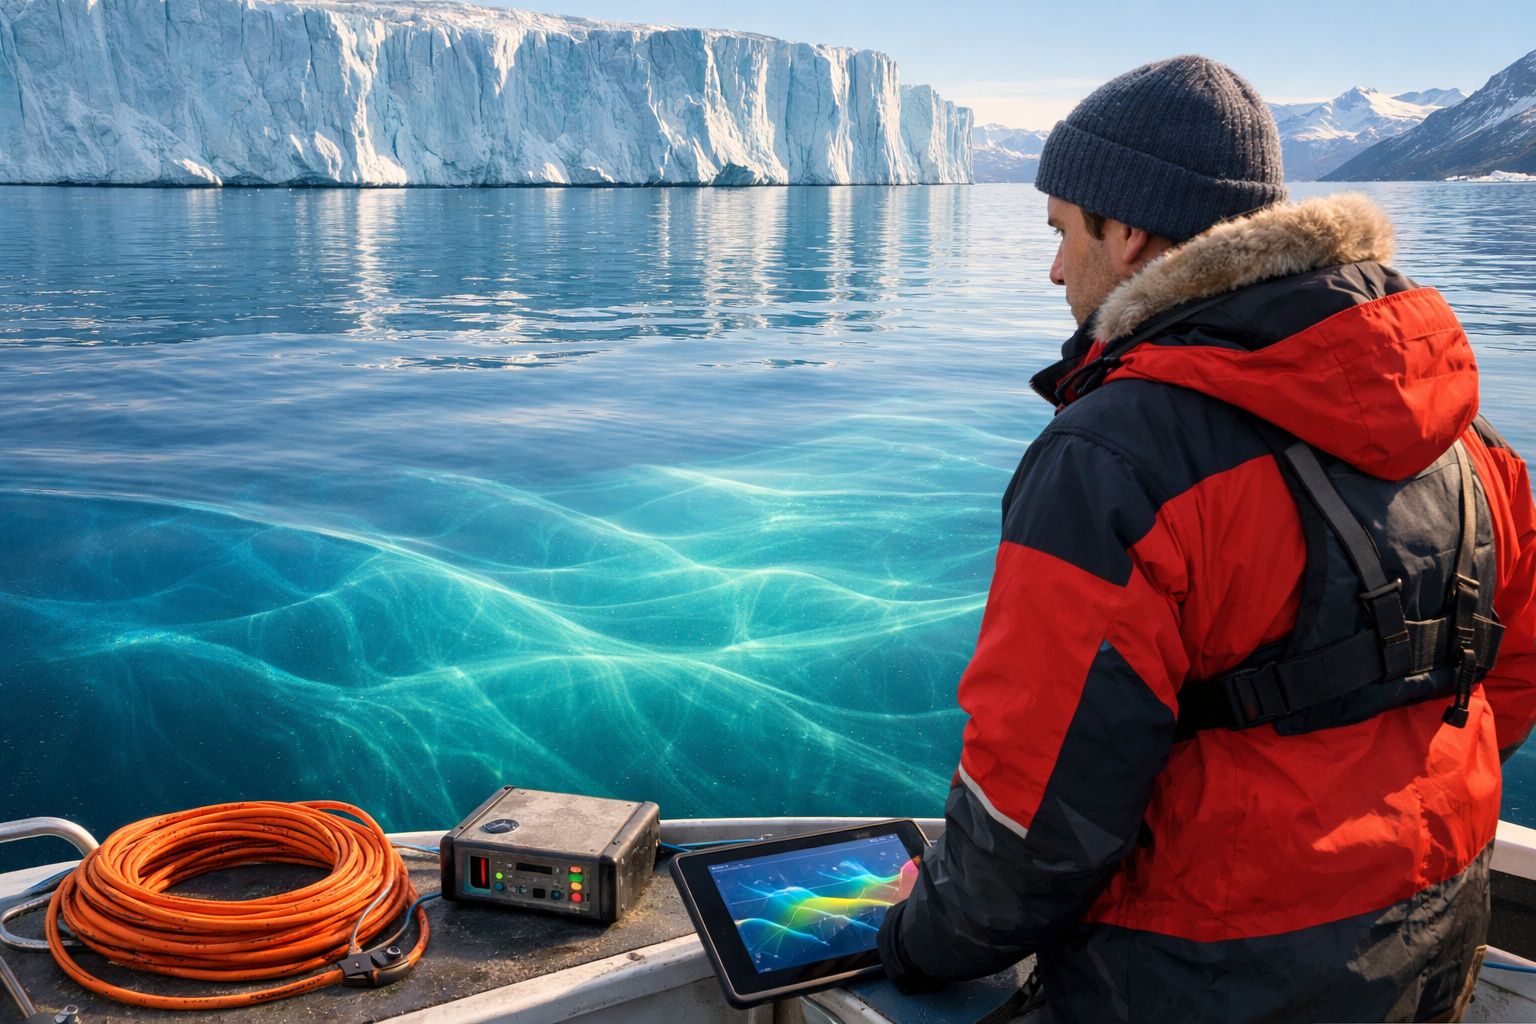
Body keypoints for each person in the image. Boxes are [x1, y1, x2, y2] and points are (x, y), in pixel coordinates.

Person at [875, 54, 1536, 1023]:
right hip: (1430, 954)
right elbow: (1509, 680)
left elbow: (1035, 823)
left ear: (1130, 231)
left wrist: (913, 938)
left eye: (1063, 231)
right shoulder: (1468, 440)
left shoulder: (1114, 462)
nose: (1055, 267)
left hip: (1203, 984)